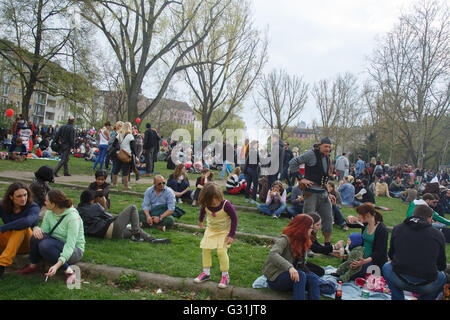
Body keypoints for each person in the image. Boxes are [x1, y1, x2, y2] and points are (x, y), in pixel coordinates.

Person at [16, 190, 85, 285]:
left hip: (74, 250)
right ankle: (33, 265)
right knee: (36, 236)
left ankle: (68, 271)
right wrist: (37, 229)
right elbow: (44, 232)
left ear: (53, 204)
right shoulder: (49, 212)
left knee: (45, 245)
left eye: (47, 201)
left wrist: (57, 265)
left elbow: (70, 245)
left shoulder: (72, 218)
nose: (45, 202)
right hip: (55, 243)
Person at [382, 205, 447, 300]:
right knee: (442, 278)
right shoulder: (438, 235)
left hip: (399, 277)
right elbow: (441, 266)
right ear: (430, 218)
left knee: (386, 267)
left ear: (413, 214)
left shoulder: (398, 228)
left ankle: (397, 297)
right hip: (427, 283)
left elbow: (391, 255)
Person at [262, 214, 321, 300]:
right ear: (303, 228)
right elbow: (273, 254)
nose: (311, 231)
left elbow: (301, 265)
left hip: (292, 276)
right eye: (310, 228)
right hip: (276, 278)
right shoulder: (285, 239)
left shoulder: (304, 240)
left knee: (313, 278)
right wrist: (290, 268)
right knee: (301, 275)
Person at [77, 190, 170, 244]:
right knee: (132, 207)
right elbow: (109, 216)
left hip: (107, 235)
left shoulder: (78, 211)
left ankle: (152, 239)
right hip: (112, 229)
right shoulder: (95, 207)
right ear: (92, 200)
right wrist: (103, 201)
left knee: (132, 228)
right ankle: (136, 234)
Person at [289, 137, 334, 244]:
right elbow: (293, 162)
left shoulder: (327, 157)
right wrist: (301, 178)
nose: (327, 149)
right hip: (311, 193)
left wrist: (328, 192)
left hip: (323, 193)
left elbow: (323, 176)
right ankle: (307, 245)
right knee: (308, 221)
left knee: (328, 219)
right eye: (325, 146)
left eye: (329, 147)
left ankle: (327, 245)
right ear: (320, 146)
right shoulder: (311, 154)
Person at [194, 183, 238, 289]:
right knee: (205, 249)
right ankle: (206, 273)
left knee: (221, 251)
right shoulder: (206, 204)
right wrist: (200, 220)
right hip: (211, 230)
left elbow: (234, 219)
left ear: (219, 196)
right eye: (211, 200)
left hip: (224, 231)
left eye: (216, 199)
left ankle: (225, 276)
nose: (214, 202)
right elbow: (202, 210)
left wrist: (231, 235)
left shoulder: (226, 205)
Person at [0, 183, 40, 278]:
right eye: (19, 196)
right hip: (8, 242)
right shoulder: (3, 206)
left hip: (26, 244)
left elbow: (27, 221)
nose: (23, 199)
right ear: (11, 197)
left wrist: (3, 228)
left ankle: (2, 264)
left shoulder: (33, 207)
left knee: (22, 227)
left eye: (25, 195)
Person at [345, 203, 389, 279]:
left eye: (359, 214)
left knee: (352, 274)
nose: (358, 216)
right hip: (361, 257)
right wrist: (350, 219)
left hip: (373, 261)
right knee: (346, 267)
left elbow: (379, 252)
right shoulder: (365, 224)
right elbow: (350, 224)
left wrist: (364, 261)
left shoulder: (382, 229)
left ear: (368, 214)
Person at [111, 122, 137, 190]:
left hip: (119, 154)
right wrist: (135, 156)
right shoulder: (130, 136)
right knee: (125, 171)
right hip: (127, 155)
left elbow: (114, 145)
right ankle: (126, 186)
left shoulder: (119, 135)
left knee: (116, 169)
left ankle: (114, 184)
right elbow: (133, 147)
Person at [244, 140, 260, 205]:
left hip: (249, 169)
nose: (258, 145)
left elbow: (247, 161)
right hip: (253, 170)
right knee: (255, 185)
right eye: (257, 144)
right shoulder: (255, 151)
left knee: (249, 184)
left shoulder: (250, 150)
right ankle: (253, 199)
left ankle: (247, 198)